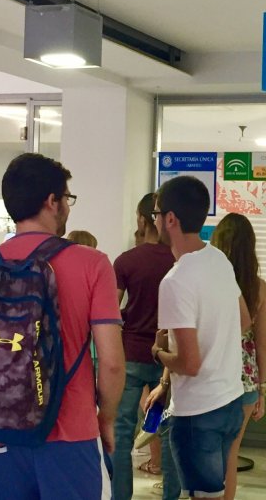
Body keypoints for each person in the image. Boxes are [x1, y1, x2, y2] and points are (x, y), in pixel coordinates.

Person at [0, 153, 124, 500]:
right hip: (70, 435)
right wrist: (106, 418)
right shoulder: (92, 264)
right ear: (52, 201)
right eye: (67, 199)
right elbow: (111, 362)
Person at [145, 176, 249, 499]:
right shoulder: (218, 259)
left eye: (156, 214)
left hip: (198, 414)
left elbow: (189, 364)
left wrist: (158, 352)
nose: (154, 220)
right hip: (231, 401)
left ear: (170, 219)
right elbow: (244, 321)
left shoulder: (175, 281)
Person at [110, 193, 178, 500]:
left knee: (122, 433)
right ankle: (171, 495)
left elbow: (111, 312)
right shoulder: (177, 260)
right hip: (169, 358)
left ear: (142, 218)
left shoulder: (126, 261)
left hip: (132, 354)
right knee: (168, 430)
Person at [210, 213, 266, 500]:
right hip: (245, 378)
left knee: (206, 451)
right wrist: (263, 389)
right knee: (231, 452)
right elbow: (262, 342)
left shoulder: (211, 281)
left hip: (211, 373)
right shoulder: (258, 287)